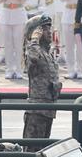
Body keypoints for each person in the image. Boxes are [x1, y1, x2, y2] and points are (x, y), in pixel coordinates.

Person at [23, 14, 61, 142]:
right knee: (32, 151)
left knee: (43, 148)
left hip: (49, 109)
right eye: (44, 29)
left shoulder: (47, 52)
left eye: (49, 28)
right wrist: (34, 40)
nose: (49, 32)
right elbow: (33, 59)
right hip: (37, 111)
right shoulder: (33, 50)